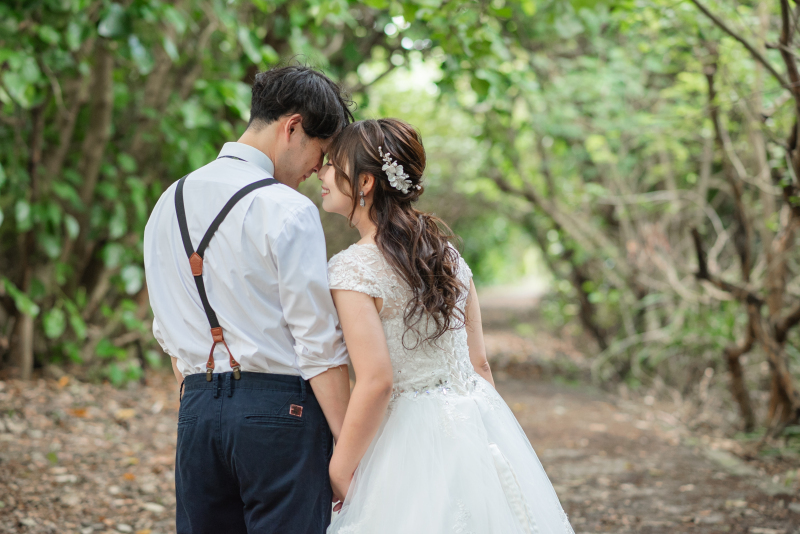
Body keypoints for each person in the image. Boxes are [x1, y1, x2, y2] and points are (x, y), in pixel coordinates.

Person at [318, 118, 575, 533]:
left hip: (407, 441)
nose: (322, 174)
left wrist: (341, 470)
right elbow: (480, 365)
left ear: (364, 183)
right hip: (475, 418)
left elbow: (376, 381)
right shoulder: (447, 255)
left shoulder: (353, 269)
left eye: (332, 165)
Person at [143, 65, 354, 534]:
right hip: (281, 415)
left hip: (195, 411)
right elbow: (317, 344)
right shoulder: (288, 209)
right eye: (319, 154)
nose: (317, 171)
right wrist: (350, 447)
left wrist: (205, 397)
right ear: (293, 127)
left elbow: (168, 332)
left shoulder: (167, 202)